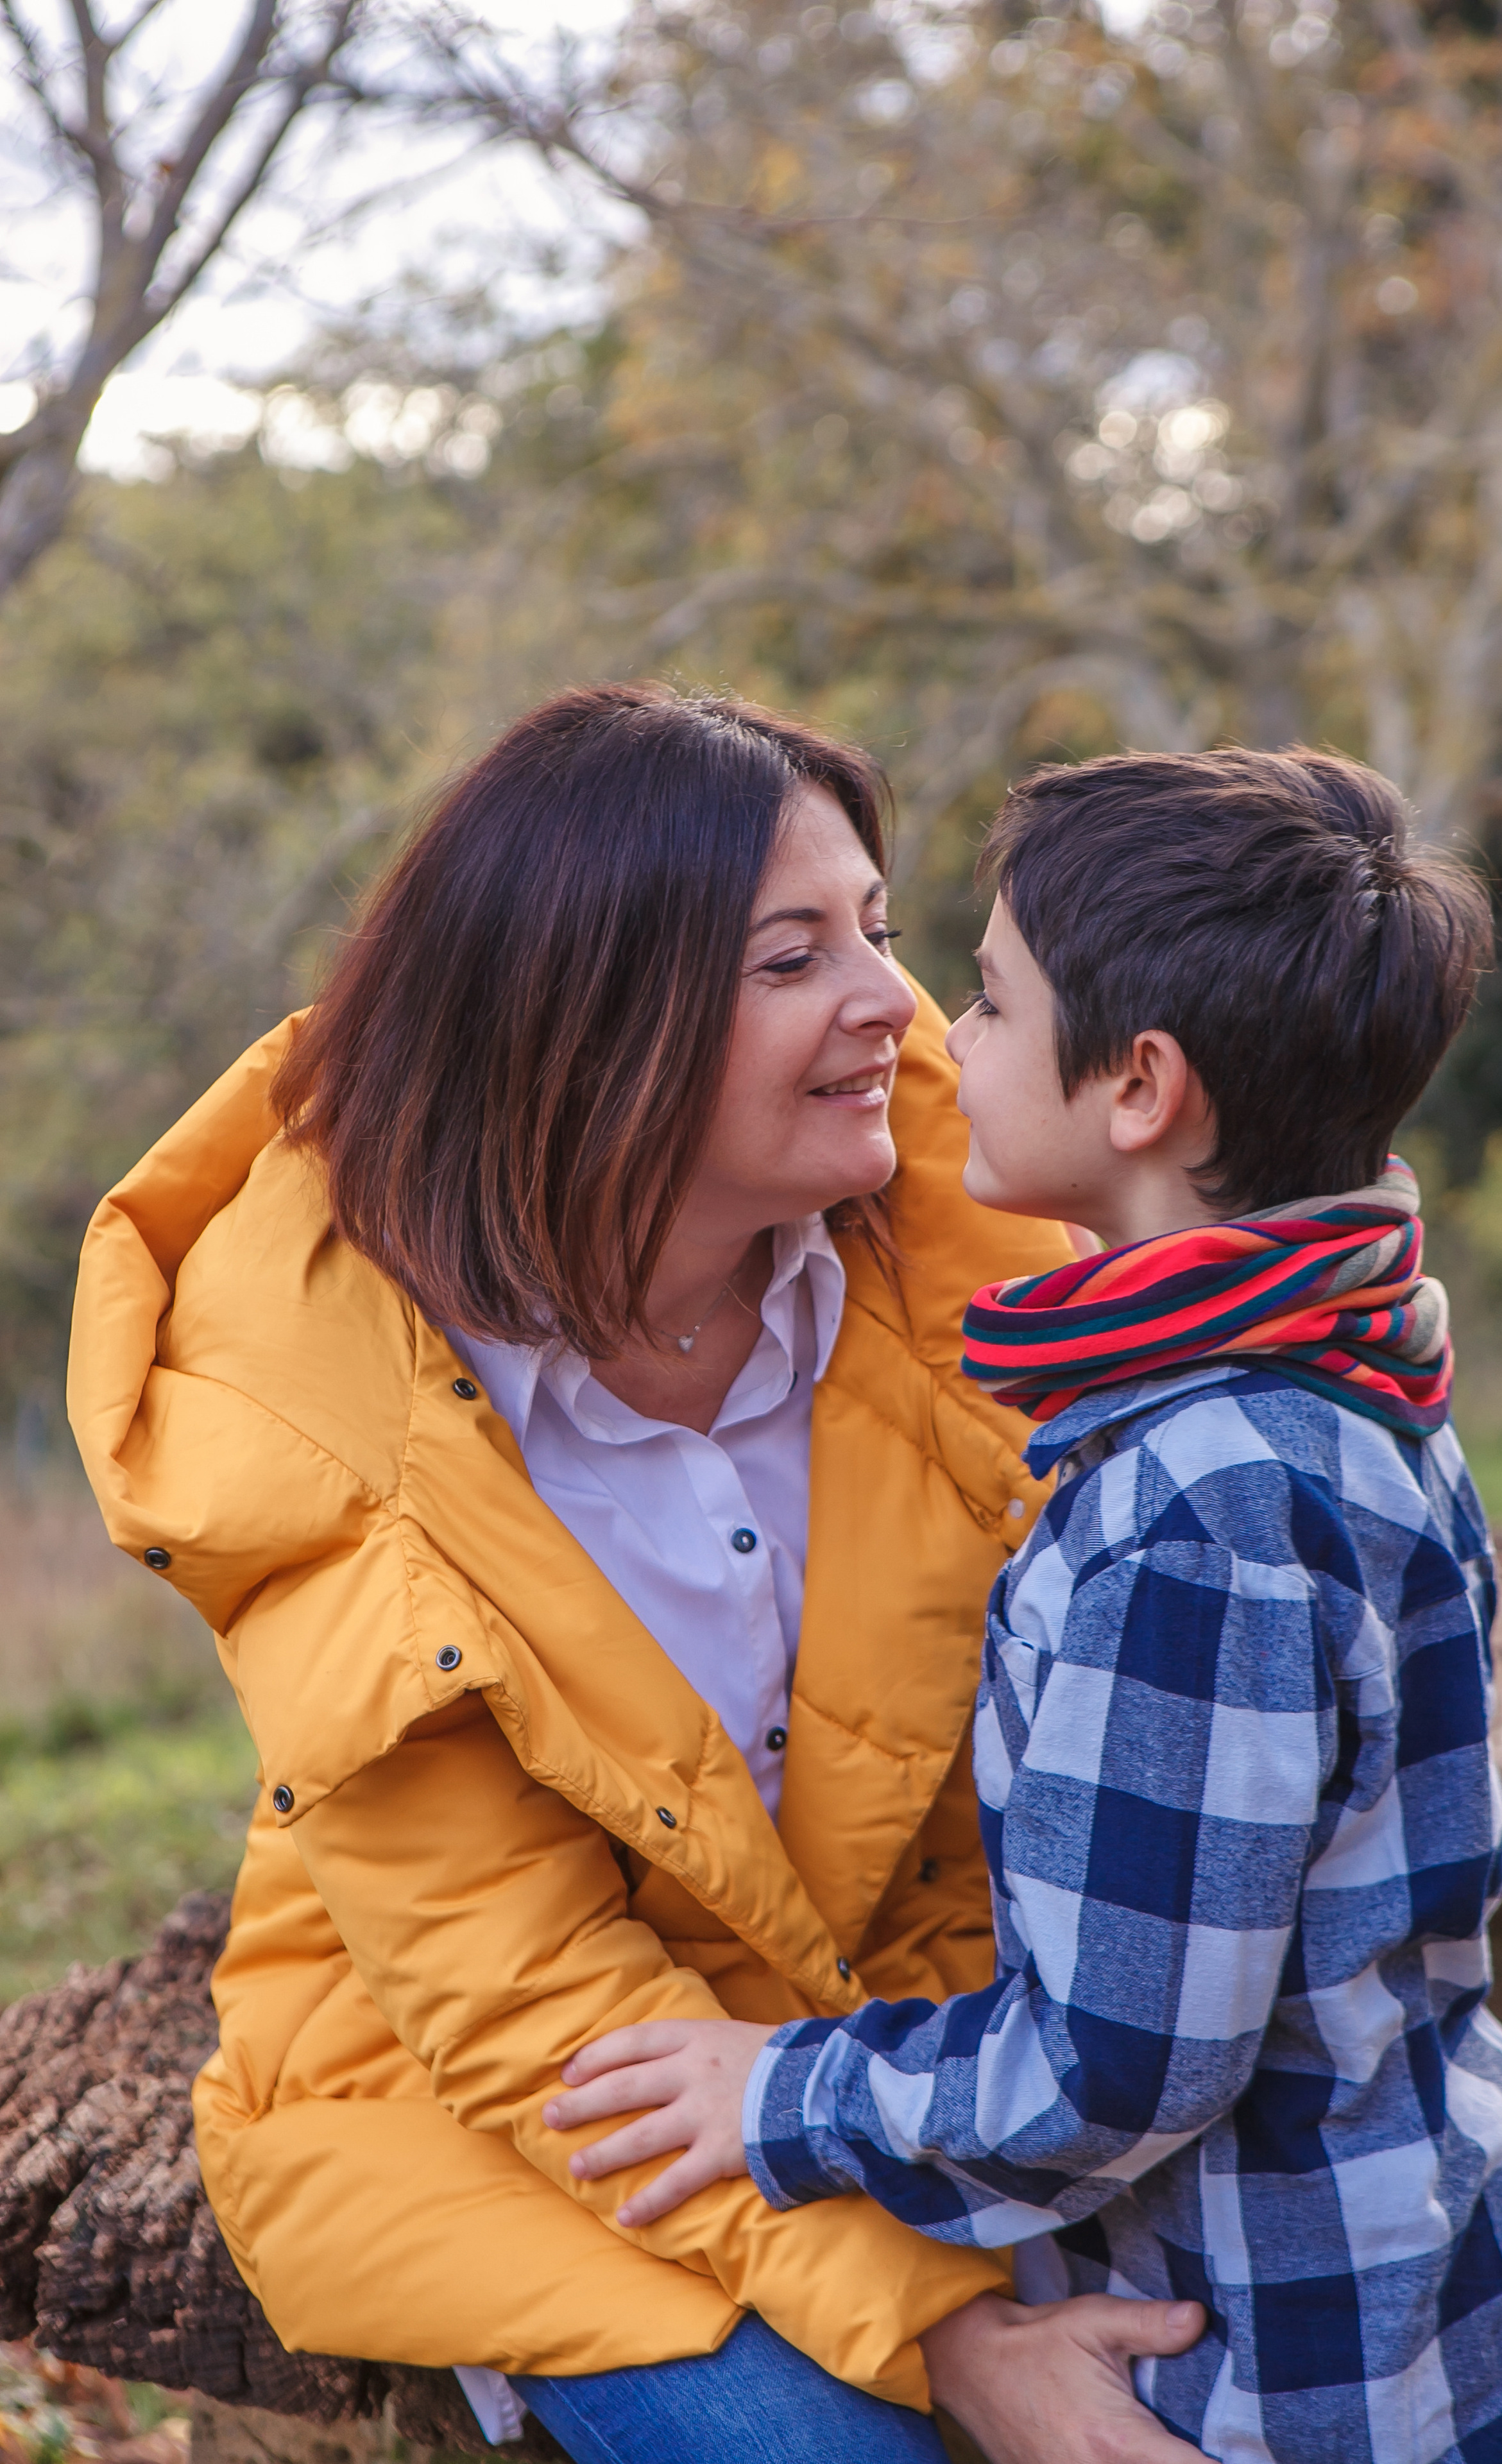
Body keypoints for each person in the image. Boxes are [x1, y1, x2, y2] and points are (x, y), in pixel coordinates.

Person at [67, 685, 1211, 2464]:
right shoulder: (314, 1416)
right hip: (506, 2091)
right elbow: (532, 2016)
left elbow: (1260, 1323)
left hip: (910, 2031)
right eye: (790, 959)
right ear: (587, 1018)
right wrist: (952, 2338)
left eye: (884, 938)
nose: (881, 1006)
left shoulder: (966, 1228)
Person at [541, 747, 1502, 2464]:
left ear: (1140, 1090)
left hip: (1278, 2362)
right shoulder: (1341, 1358)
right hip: (1433, 2264)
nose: (932, 1041)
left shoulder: (1201, 1506)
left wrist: (780, 2094)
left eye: (981, 997)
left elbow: (1110, 2070)